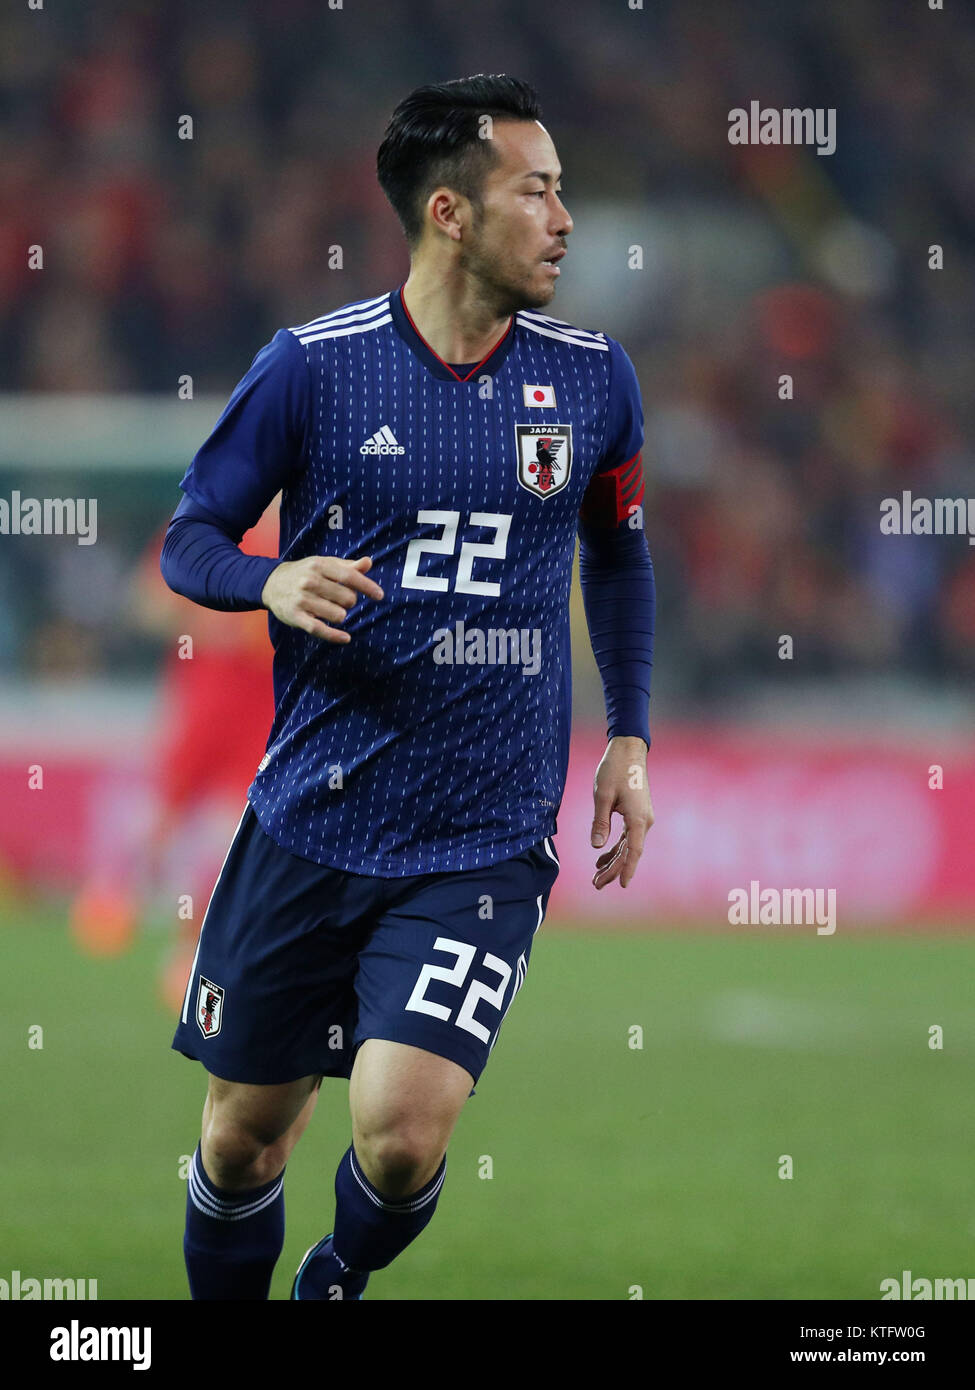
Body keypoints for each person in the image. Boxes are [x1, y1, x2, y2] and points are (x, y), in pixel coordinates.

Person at [160, 73, 655, 1301]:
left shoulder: (593, 379)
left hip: (480, 836)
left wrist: (632, 734)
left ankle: (333, 1277)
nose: (564, 219)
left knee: (400, 1131)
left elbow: (618, 551)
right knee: (242, 1135)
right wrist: (266, 583)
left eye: (562, 191)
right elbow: (190, 538)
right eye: (535, 191)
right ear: (449, 212)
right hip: (312, 819)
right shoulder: (312, 370)